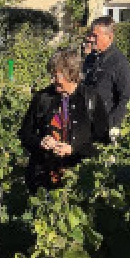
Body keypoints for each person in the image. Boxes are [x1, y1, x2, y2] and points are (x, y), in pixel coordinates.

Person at [19, 47, 110, 190]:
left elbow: (102, 140)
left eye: (56, 75)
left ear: (71, 74)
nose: (52, 80)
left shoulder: (91, 99)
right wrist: (40, 142)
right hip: (43, 177)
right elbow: (25, 134)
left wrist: (74, 149)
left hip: (78, 179)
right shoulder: (43, 98)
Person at [81, 16, 130, 137]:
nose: (91, 39)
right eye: (91, 35)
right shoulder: (91, 58)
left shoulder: (119, 63)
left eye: (95, 36)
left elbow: (126, 98)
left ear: (109, 37)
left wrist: (111, 124)